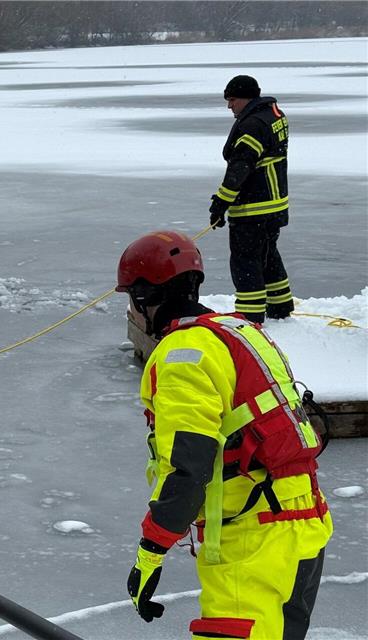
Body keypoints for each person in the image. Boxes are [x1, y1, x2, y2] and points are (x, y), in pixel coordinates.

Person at [116, 230, 331, 640]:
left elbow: (187, 468)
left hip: (255, 541)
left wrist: (151, 553)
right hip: (302, 524)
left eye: (130, 297)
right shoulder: (239, 331)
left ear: (145, 298)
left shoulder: (183, 356)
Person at [209, 75, 293, 323]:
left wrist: (221, 203)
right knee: (268, 255)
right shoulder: (274, 115)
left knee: (245, 261)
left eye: (232, 100)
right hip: (275, 204)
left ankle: (250, 314)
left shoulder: (252, 125)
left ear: (246, 98)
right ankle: (280, 306)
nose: (229, 106)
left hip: (254, 207)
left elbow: (240, 168)